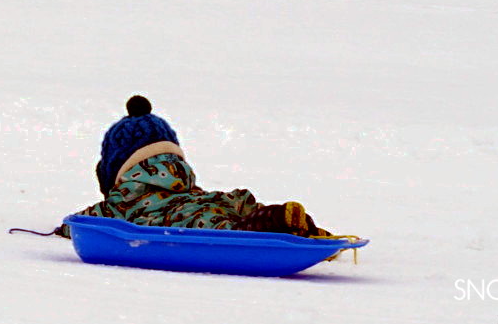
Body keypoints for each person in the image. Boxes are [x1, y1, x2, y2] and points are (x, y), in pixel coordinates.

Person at [55, 95, 332, 238]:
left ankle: (261, 228)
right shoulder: (190, 189)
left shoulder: (121, 203)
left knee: (218, 230)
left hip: (192, 221)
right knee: (232, 204)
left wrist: (62, 229)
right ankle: (287, 222)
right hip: (204, 203)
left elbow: (84, 224)